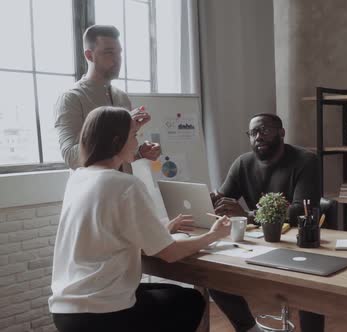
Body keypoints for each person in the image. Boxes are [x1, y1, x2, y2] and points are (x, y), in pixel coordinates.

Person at [49, 106, 232, 332]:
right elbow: (170, 253)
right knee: (191, 301)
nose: (138, 143)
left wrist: (163, 228)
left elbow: (109, 230)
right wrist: (213, 235)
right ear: (117, 141)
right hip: (101, 315)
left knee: (173, 294)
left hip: (66, 310)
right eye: (134, 136)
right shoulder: (125, 184)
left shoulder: (77, 178)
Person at [209, 113, 324, 332]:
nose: (258, 137)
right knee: (213, 274)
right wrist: (213, 200)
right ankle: (249, 328)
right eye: (253, 133)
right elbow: (225, 198)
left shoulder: (306, 160)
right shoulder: (243, 163)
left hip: (300, 243)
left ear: (281, 133)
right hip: (259, 242)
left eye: (264, 130)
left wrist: (247, 214)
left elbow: (299, 210)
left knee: (309, 288)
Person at [54, 24, 160, 171]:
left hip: (124, 188)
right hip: (96, 191)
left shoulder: (122, 97)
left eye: (119, 53)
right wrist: (120, 128)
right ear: (89, 55)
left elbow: (119, 154)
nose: (118, 59)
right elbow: (70, 157)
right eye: (109, 53)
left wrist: (140, 153)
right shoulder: (71, 98)